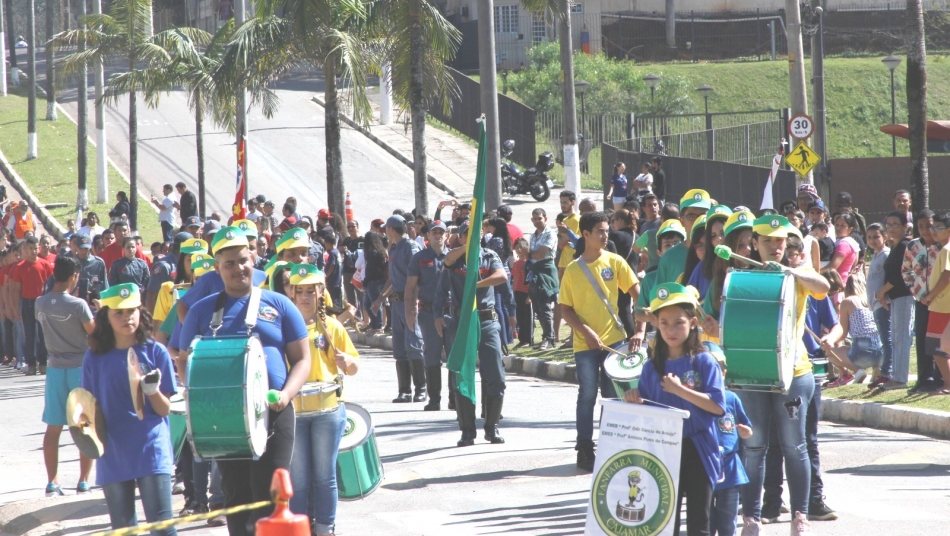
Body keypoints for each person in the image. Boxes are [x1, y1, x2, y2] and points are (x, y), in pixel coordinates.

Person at [702, 215, 830, 535]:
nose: (775, 246)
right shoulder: (739, 277)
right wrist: (713, 331)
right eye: (768, 241)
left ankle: (799, 515)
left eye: (780, 241)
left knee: (794, 446)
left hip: (794, 371)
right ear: (755, 244)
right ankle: (751, 518)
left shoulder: (798, 275)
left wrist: (791, 271)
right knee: (754, 447)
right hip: (750, 373)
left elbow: (824, 287)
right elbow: (722, 326)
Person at [179, 227, 311, 535]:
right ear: (217, 268)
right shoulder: (201, 311)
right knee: (236, 496)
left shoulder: (279, 304)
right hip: (223, 417)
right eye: (230, 263)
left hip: (275, 412)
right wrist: (200, 396)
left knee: (272, 495)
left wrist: (286, 394)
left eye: (243, 260)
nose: (239, 268)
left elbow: (303, 359)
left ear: (253, 258)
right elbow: (185, 360)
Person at [623, 283, 726, 536]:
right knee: (664, 522)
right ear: (656, 324)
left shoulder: (704, 361)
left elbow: (717, 407)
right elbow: (647, 413)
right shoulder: (650, 368)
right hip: (663, 449)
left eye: (678, 322)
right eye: (664, 322)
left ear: (692, 323)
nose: (671, 329)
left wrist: (681, 391)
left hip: (699, 447)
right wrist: (634, 399)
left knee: (699, 523)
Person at [82, 283, 178, 535]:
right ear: (106, 316)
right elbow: (87, 407)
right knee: (124, 530)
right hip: (112, 451)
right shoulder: (94, 357)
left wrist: (152, 391)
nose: (127, 318)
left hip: (151, 449)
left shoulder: (156, 352)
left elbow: (165, 409)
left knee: (162, 528)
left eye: (132, 311)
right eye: (119, 313)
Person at [559, 211, 641, 471]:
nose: (606, 235)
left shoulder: (616, 261)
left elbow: (639, 296)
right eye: (600, 232)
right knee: (587, 396)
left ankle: (610, 447)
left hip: (615, 344)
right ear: (585, 234)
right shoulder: (573, 270)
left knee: (611, 397)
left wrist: (639, 330)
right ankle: (584, 448)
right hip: (585, 346)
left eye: (607, 230)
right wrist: (586, 332)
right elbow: (566, 310)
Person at [287, 264, 359, 536]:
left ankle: (325, 528)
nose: (305, 296)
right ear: (292, 293)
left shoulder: (332, 326)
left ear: (320, 293)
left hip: (327, 410)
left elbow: (352, 367)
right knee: (300, 479)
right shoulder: (284, 327)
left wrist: (347, 361)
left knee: (324, 476)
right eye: (300, 291)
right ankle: (300, 529)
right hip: (294, 411)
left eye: (311, 291)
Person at [433, 221, 515, 446]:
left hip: (487, 320)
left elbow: (501, 277)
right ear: (461, 237)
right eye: (467, 234)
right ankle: (467, 431)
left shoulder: (489, 255)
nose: (472, 237)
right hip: (461, 321)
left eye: (475, 233)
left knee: (496, 376)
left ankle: (492, 426)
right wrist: (437, 313)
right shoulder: (455, 256)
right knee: (462, 376)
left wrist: (476, 285)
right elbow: (447, 261)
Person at [37, 256, 96, 497]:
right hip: (80, 368)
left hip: (54, 367)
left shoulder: (40, 303)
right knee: (84, 426)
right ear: (73, 276)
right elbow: (94, 333)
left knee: (53, 426)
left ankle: (52, 481)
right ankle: (83, 480)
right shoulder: (78, 304)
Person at [371, 215, 426, 403]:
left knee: (414, 344)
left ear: (391, 230)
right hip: (396, 303)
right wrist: (380, 298)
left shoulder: (410, 248)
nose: (385, 231)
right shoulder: (393, 248)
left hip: (409, 302)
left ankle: (421, 388)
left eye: (387, 228)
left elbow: (419, 277)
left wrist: (415, 303)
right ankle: (405, 390)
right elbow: (393, 278)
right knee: (400, 348)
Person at [405, 221, 452, 411]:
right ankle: (434, 399)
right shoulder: (419, 258)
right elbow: (410, 286)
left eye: (441, 232)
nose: (438, 236)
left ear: (447, 235)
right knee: (431, 355)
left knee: (453, 355)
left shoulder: (454, 256)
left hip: (451, 312)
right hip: (428, 313)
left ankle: (455, 398)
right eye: (435, 232)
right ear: (428, 236)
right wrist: (410, 311)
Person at [709, 350, 753, 536]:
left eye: (717, 370)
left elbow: (747, 428)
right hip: (705, 466)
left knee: (728, 523)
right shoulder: (695, 399)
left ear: (724, 373)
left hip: (729, 467)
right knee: (705, 523)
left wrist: (745, 431)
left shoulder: (732, 398)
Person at [873, 212, 915, 390]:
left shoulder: (905, 245)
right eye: (888, 224)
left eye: (895, 224)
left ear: (905, 227)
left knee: (902, 337)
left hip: (905, 295)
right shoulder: (895, 247)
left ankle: (900, 378)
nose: (891, 227)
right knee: (895, 337)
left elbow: (900, 275)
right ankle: (896, 376)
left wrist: (882, 292)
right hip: (895, 297)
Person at [822, 271, 885, 386]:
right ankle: (878, 368)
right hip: (881, 349)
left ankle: (856, 371)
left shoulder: (848, 301)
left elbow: (843, 331)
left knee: (829, 352)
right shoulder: (871, 300)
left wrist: (832, 341)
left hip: (862, 351)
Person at [904, 210, 942, 392]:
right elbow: (906, 271)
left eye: (929, 226)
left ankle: (940, 377)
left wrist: (933, 295)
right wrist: (917, 293)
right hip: (921, 301)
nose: (926, 230)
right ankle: (923, 378)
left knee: (939, 340)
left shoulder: (942, 246)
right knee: (922, 339)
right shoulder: (913, 246)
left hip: (940, 302)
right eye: (921, 226)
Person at [9, 236, 54, 375]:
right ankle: (31, 364)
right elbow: (16, 289)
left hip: (42, 302)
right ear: (26, 249)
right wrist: (16, 308)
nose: (34, 251)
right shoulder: (20, 267)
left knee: (42, 334)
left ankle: (43, 363)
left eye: (36, 248)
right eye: (31, 248)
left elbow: (51, 286)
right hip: (27, 303)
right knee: (29, 335)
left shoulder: (45, 265)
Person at [656, 189, 712, 285]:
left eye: (703, 215)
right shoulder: (669, 257)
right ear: (682, 221)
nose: (697, 220)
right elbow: (661, 295)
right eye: (691, 216)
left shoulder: (717, 251)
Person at [922, 212, 950, 394]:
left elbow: (947, 275)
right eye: (934, 227)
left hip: (943, 306)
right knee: (938, 347)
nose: (934, 231)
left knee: (937, 347)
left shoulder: (947, 249)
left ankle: (948, 384)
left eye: (938, 228)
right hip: (940, 305)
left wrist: (931, 295)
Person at [526, 208, 559, 350]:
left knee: (545, 306)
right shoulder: (533, 236)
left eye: (540, 218)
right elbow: (530, 254)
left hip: (546, 271)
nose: (537, 221)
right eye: (535, 219)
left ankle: (550, 339)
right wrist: (531, 254)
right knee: (538, 308)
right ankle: (545, 336)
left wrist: (530, 254)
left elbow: (540, 254)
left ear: (545, 218)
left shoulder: (550, 234)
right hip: (534, 272)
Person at [866, 223, 892, 386]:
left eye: (876, 237)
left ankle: (886, 372)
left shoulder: (885, 255)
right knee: (883, 339)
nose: (873, 240)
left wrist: (883, 296)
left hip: (883, 304)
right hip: (875, 305)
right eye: (869, 237)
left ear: (885, 237)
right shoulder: (875, 255)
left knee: (887, 339)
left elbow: (889, 278)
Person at [360, 232, 388, 333]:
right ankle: (374, 324)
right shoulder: (380, 251)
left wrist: (365, 282)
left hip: (373, 281)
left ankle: (378, 326)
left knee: (373, 305)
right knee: (367, 304)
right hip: (380, 280)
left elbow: (370, 269)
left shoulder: (372, 252)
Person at [74, 233, 109, 306]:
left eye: (86, 249)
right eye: (81, 249)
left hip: (93, 304)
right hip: (74, 303)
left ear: (90, 247)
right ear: (76, 247)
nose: (83, 251)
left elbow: (105, 286)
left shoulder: (98, 262)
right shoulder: (71, 262)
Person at [511, 238, 532, 349]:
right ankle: (522, 339)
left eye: (521, 247)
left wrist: (530, 295)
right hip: (517, 292)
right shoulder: (516, 263)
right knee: (520, 316)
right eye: (517, 247)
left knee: (527, 317)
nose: (519, 250)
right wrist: (513, 292)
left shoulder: (528, 262)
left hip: (526, 293)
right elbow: (514, 278)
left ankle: (528, 339)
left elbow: (531, 279)